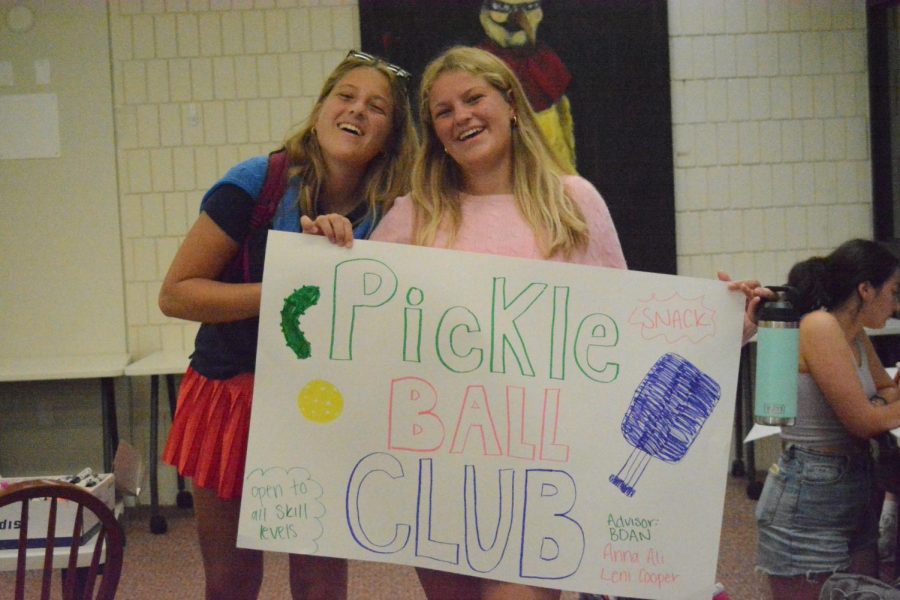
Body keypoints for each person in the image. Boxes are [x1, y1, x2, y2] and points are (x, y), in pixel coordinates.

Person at [158, 50, 418, 600]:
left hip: (323, 407)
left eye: (377, 108)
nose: (356, 111)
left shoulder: (397, 212)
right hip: (231, 398)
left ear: (392, 137)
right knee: (232, 581)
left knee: (322, 585)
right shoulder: (258, 181)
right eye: (345, 96)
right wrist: (290, 283)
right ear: (321, 107)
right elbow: (177, 294)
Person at [368, 43, 624, 600]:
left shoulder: (573, 201)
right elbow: (364, 331)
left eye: (473, 98)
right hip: (436, 471)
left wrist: (729, 326)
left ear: (511, 105)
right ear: (434, 131)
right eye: (443, 111)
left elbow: (623, 326)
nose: (460, 116)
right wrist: (327, 257)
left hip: (544, 473)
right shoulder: (413, 216)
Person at [755, 238, 900, 600]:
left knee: (861, 590)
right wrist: (878, 405)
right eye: (893, 292)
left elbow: (887, 391)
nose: (896, 305)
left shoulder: (854, 334)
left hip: (853, 482)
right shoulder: (820, 326)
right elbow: (864, 422)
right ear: (866, 289)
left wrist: (879, 403)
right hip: (811, 489)